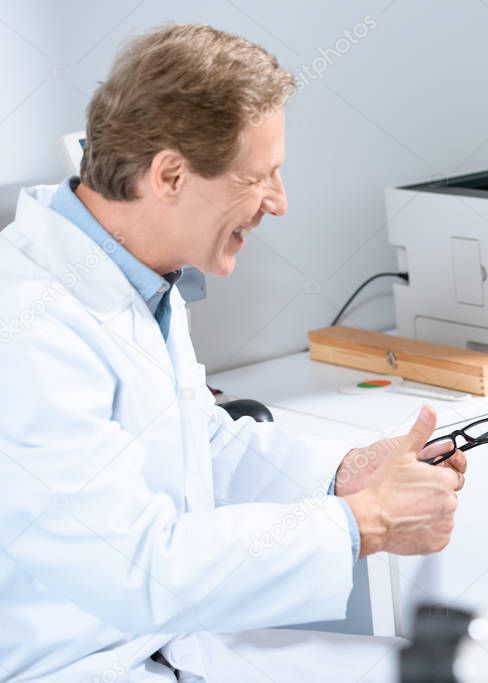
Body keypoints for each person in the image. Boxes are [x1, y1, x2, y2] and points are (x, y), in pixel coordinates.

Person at [0, 24, 464, 681]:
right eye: (260, 176)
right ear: (168, 175)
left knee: (452, 670)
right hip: (76, 664)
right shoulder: (27, 329)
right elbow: (134, 564)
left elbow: (200, 448)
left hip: (171, 643)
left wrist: (345, 475)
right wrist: (363, 523)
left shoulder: (139, 277)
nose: (279, 201)